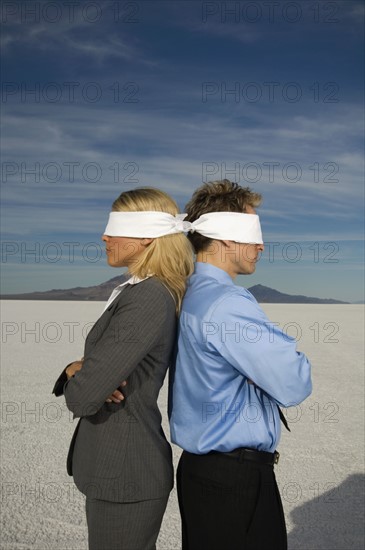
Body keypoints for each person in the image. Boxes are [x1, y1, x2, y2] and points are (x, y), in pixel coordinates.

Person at [169, 180, 312, 550]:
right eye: (254, 233)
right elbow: (295, 382)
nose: (261, 245)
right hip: (234, 481)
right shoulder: (226, 304)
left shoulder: (192, 291)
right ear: (226, 238)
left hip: (205, 474)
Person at [52, 188, 194, 550]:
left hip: (127, 473)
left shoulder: (147, 297)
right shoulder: (141, 291)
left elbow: (83, 397)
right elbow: (90, 380)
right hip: (117, 470)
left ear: (147, 236)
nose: (104, 236)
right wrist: (76, 368)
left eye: (115, 227)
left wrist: (79, 377)